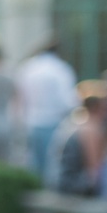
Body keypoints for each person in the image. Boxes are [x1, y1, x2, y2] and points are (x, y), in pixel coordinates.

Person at [15, 41, 78, 181]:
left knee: (34, 167)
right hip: (53, 123)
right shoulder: (60, 69)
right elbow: (68, 101)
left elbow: (19, 99)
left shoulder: (28, 67)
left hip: (31, 122)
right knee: (52, 168)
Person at [46, 83, 107, 196]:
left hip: (58, 181)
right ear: (98, 107)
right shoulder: (91, 128)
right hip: (71, 187)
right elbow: (94, 168)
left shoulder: (75, 122)